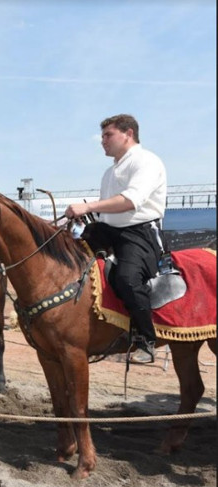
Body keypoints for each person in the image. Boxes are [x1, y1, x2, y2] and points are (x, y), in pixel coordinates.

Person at [65, 114, 167, 364]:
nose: (103, 141)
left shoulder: (147, 161)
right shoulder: (110, 172)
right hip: (110, 230)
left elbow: (132, 200)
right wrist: (84, 214)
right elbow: (106, 209)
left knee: (127, 279)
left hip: (140, 233)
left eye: (107, 135)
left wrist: (88, 208)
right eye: (102, 136)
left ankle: (146, 340)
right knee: (70, 259)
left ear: (128, 134)